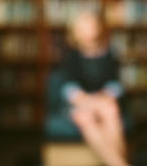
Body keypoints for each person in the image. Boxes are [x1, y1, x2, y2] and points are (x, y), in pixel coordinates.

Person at [52, 10, 129, 166]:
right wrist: (85, 100)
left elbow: (115, 84)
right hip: (81, 102)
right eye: (83, 27)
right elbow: (69, 86)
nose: (88, 30)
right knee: (85, 118)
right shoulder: (71, 55)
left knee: (110, 110)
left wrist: (104, 97)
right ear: (75, 32)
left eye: (90, 26)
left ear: (98, 28)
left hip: (104, 100)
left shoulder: (110, 54)